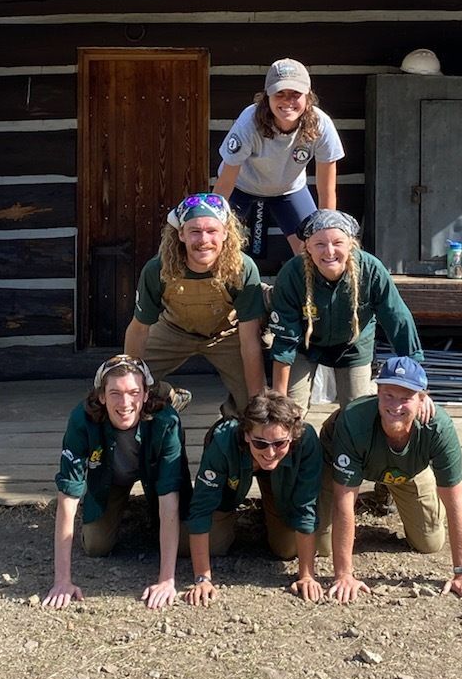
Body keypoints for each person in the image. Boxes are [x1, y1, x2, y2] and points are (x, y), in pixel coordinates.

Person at [322, 355, 462, 605]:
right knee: (322, 546)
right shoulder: (353, 420)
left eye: (406, 397)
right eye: (388, 395)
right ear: (377, 392)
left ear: (422, 399)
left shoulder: (439, 428)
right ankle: (378, 487)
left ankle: (401, 489)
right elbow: (345, 502)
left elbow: (456, 503)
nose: (396, 405)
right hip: (353, 458)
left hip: (408, 468)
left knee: (430, 542)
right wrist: (344, 574)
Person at [46, 355, 190, 610]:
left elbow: (170, 498)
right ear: (101, 396)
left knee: (183, 543)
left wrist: (166, 579)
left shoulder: (167, 422)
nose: (125, 403)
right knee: (95, 545)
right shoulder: (81, 420)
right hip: (109, 476)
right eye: (115, 393)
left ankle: (169, 395)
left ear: (145, 394)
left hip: (153, 473)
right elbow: (67, 496)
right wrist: (62, 581)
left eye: (134, 392)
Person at [124, 193, 266, 414]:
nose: (204, 240)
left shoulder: (243, 268)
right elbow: (139, 329)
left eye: (212, 231)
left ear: (226, 233)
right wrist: (128, 379)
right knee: (123, 384)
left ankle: (233, 412)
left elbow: (249, 339)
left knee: (252, 404)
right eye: (195, 231)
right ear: (181, 234)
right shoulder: (157, 268)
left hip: (226, 335)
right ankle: (166, 397)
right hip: (173, 330)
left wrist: (258, 403)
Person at [268, 209, 423, 409]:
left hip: (353, 344)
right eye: (320, 244)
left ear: (351, 244)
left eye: (338, 243)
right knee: (291, 409)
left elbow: (398, 320)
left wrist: (415, 380)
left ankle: (334, 434)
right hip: (304, 345)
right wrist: (279, 403)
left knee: (356, 411)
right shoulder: (291, 274)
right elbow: (285, 340)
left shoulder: (371, 270)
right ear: (307, 247)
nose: (329, 252)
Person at [183, 390, 325, 605]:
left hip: (283, 485)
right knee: (207, 545)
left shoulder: (306, 440)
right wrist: (202, 577)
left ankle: (271, 514)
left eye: (279, 443)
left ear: (292, 437)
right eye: (260, 443)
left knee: (288, 549)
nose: (269, 452)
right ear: (247, 434)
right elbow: (201, 508)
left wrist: (306, 575)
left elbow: (306, 505)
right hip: (231, 486)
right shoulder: (223, 440)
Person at [212, 59, 344, 257]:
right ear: (267, 97)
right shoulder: (249, 122)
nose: (287, 101)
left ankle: (307, 287)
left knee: (312, 249)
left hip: (289, 190)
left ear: (308, 97)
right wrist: (215, 222)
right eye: (279, 94)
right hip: (241, 187)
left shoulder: (321, 124)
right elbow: (225, 183)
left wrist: (326, 231)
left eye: (295, 94)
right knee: (220, 244)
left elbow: (326, 190)